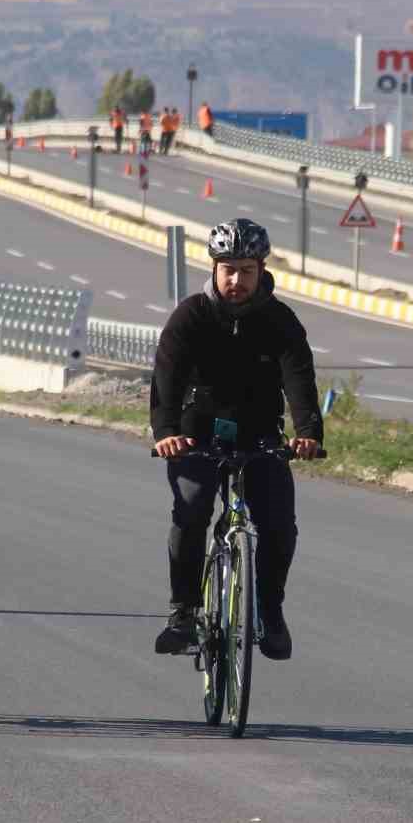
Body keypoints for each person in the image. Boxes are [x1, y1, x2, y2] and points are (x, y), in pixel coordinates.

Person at [150, 218, 322, 661]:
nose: (236, 280)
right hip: (195, 436)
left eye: (246, 270)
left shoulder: (280, 320)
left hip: (260, 435)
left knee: (280, 524)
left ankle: (270, 611)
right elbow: (165, 380)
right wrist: (167, 433)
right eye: (227, 269)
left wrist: (307, 433)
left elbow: (299, 378)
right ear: (213, 268)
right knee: (191, 510)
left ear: (261, 269)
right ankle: (183, 612)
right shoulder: (190, 316)